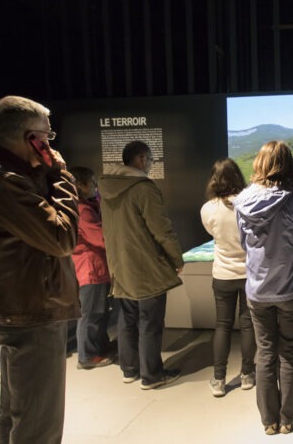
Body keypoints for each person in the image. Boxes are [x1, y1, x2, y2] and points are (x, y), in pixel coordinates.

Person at [0, 95, 80, 443]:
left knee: (17, 413)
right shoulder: (3, 179)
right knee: (39, 424)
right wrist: (62, 175)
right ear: (31, 139)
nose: (51, 145)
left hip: (16, 307)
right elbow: (62, 237)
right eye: (47, 137)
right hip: (30, 311)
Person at [234, 141, 293, 435]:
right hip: (291, 286)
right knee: (289, 353)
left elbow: (244, 243)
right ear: (288, 164)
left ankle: (269, 421)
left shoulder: (243, 200)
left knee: (265, 353)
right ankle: (288, 418)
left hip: (257, 289)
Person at [98, 140, 184, 389]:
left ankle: (129, 369)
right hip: (145, 266)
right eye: (151, 160)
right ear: (140, 160)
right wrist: (176, 259)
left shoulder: (106, 187)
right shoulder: (143, 188)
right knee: (150, 322)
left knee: (126, 318)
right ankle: (152, 376)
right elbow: (162, 229)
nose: (150, 165)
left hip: (119, 264)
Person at [200, 158, 256, 397]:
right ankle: (246, 375)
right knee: (247, 324)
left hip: (222, 274)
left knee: (222, 325)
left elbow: (212, 233)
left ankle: (219, 379)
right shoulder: (249, 205)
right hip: (248, 274)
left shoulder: (207, 209)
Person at [70, 166, 114, 370]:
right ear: (80, 185)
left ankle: (99, 348)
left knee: (100, 312)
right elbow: (100, 238)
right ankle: (86, 356)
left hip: (96, 269)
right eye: (92, 183)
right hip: (90, 270)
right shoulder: (82, 210)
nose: (95, 187)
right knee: (91, 314)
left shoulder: (87, 206)